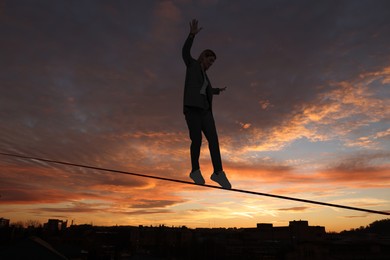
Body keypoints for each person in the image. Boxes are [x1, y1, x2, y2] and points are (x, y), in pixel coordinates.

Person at [182, 19, 231, 189]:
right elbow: (185, 53)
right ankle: (195, 171)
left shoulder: (206, 77)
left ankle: (218, 173)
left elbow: (207, 90)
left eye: (212, 63)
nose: (211, 65)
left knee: (214, 140)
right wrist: (191, 36)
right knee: (197, 140)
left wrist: (217, 90)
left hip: (205, 111)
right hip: (192, 110)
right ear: (203, 57)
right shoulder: (193, 65)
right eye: (210, 61)